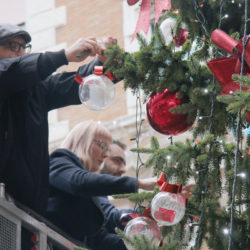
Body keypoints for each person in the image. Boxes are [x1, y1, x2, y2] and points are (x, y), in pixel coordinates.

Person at [0, 23, 117, 216]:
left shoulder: (35, 89)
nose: (20, 53)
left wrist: (104, 62)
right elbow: (13, 71)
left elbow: (73, 84)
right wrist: (64, 55)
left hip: (25, 210)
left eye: (23, 47)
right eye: (13, 46)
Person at [46, 121, 157, 250]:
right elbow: (81, 182)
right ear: (84, 141)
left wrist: (144, 241)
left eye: (108, 151)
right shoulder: (59, 160)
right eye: (102, 146)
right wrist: (139, 184)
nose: (105, 155)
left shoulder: (91, 191)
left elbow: (99, 239)